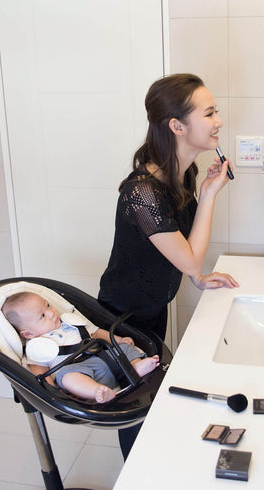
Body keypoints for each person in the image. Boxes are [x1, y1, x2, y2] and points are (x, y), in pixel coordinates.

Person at [97, 73, 239, 458]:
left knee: (148, 402)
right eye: (209, 113)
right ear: (177, 126)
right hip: (121, 321)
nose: (218, 121)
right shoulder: (143, 192)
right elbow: (189, 252)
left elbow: (178, 247)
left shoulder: (181, 173)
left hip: (152, 309)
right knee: (135, 409)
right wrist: (209, 196)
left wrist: (197, 276)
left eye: (216, 112)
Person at [2, 291, 160, 403]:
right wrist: (54, 392)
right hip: (81, 372)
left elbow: (96, 333)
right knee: (67, 377)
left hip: (105, 357)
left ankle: (134, 368)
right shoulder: (37, 347)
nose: (51, 313)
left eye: (48, 305)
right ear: (28, 334)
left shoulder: (70, 321)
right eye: (42, 316)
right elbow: (39, 373)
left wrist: (118, 340)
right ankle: (98, 392)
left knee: (125, 349)